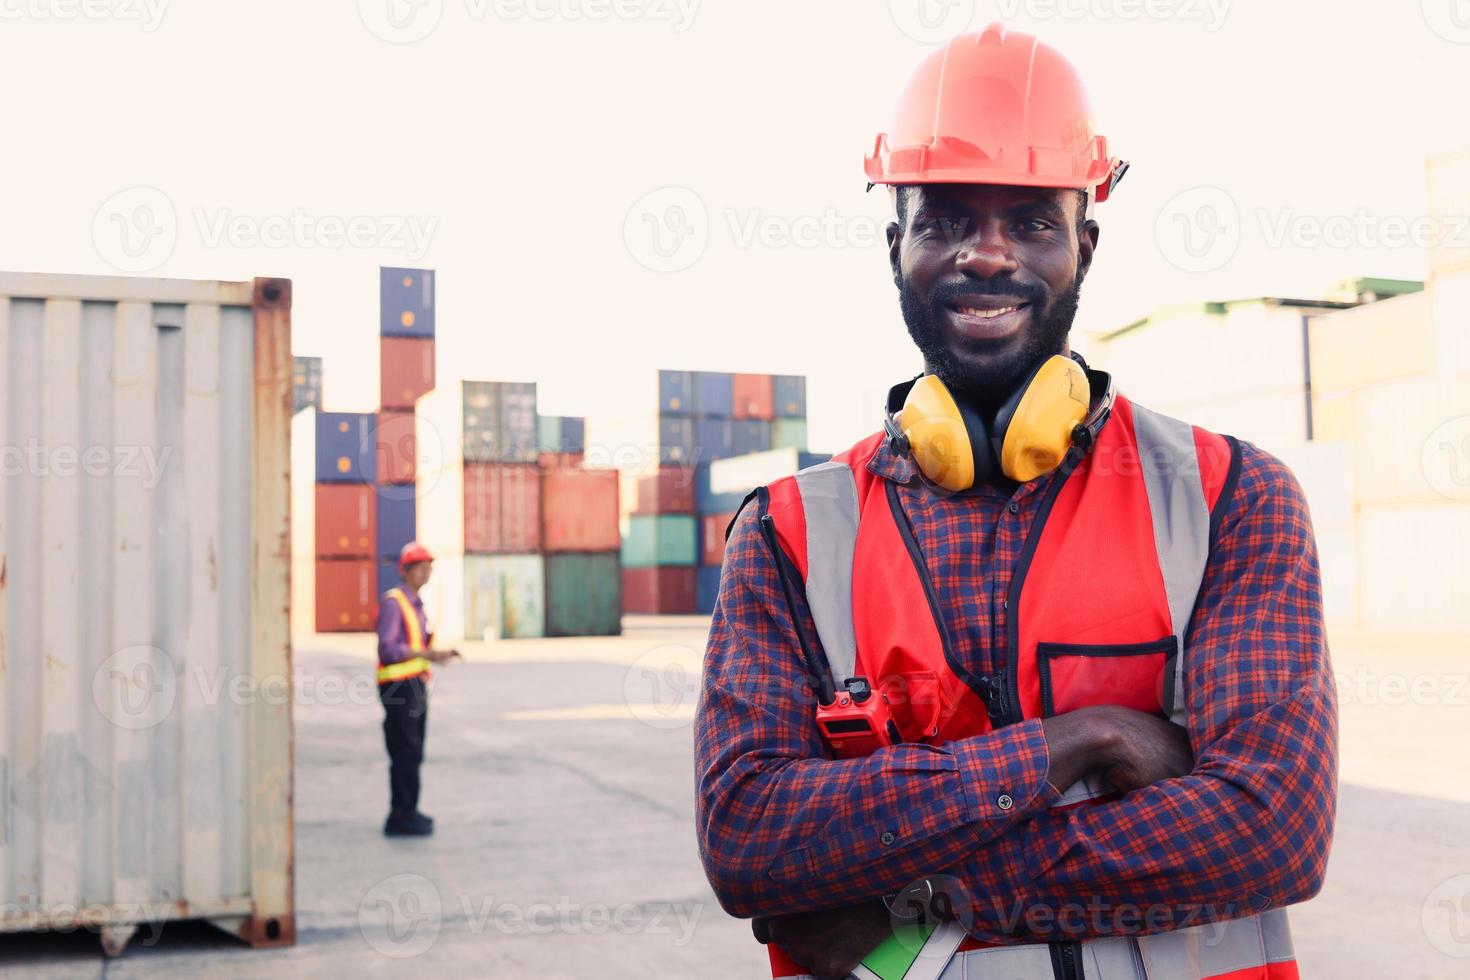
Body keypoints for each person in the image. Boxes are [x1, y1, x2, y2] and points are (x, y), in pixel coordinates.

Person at [694, 23, 1337, 980]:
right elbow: (751, 842)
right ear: (895, 245)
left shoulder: (1230, 499)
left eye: (1031, 221)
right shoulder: (789, 534)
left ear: (1086, 243)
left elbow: (1269, 827)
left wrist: (918, 895)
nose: (987, 257)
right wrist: (1083, 741)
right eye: (947, 219)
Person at [376, 540, 459, 837]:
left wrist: (436, 655)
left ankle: (409, 809)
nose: (427, 573)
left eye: (430, 568)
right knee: (405, 752)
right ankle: (399, 816)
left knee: (414, 752)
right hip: (398, 689)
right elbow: (388, 648)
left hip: (413, 685)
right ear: (407, 570)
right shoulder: (393, 603)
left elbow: (416, 647)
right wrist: (425, 655)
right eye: (422, 568)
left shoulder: (417, 605)